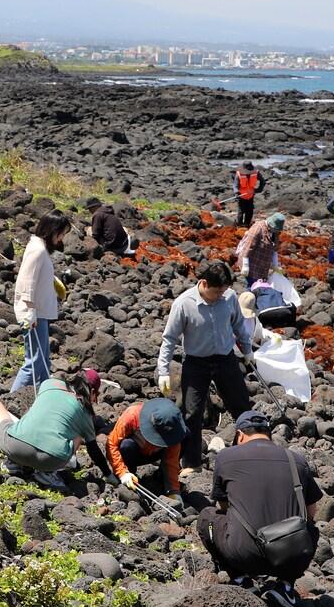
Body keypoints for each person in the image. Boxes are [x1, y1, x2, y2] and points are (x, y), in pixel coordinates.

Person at [197, 410, 323, 607]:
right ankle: (286, 586)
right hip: (290, 555)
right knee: (311, 529)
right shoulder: (296, 460)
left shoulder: (226, 457)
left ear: (239, 435)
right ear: (269, 433)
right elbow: (312, 510)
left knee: (206, 517)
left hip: (243, 553)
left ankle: (240, 578)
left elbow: (222, 506)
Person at [157, 260, 254, 472]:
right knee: (191, 413)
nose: (221, 295)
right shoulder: (184, 304)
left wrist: (247, 351)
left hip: (225, 359)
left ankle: (248, 452)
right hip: (196, 363)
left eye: (224, 290)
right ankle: (192, 463)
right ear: (203, 283)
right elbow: (169, 339)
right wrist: (163, 371)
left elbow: (238, 325)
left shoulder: (229, 298)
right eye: (217, 291)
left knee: (241, 405)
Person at [0, 374, 109, 491]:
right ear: (92, 392)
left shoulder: (48, 384)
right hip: (51, 461)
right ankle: (47, 473)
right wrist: (109, 475)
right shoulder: (85, 414)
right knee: (79, 434)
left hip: (15, 448)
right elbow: (94, 451)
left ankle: (14, 463)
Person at [12, 211, 71, 393]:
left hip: (39, 313)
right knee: (34, 362)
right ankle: (9, 400)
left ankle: (45, 398)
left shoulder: (39, 248)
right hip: (34, 314)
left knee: (43, 361)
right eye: (61, 233)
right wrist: (29, 312)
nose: (61, 238)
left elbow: (36, 276)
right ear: (53, 231)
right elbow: (25, 281)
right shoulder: (37, 250)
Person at [106, 397, 187, 507]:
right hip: (134, 452)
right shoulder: (132, 415)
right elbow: (112, 443)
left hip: (156, 454)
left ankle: (161, 476)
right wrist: (122, 472)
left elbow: (171, 460)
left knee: (187, 436)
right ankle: (130, 473)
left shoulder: (173, 429)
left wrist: (174, 491)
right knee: (126, 445)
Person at [234, 212, 285, 286]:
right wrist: (245, 265)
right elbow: (248, 246)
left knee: (259, 287)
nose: (276, 231)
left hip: (262, 268)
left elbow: (274, 250)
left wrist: (275, 265)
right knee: (251, 286)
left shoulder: (275, 232)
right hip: (251, 265)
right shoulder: (258, 228)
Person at [233, 162, 265, 226]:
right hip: (241, 196)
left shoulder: (256, 172)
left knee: (250, 211)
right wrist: (236, 192)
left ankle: (247, 224)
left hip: (250, 195)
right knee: (241, 211)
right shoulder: (239, 174)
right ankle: (239, 225)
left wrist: (259, 189)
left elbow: (262, 181)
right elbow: (235, 185)